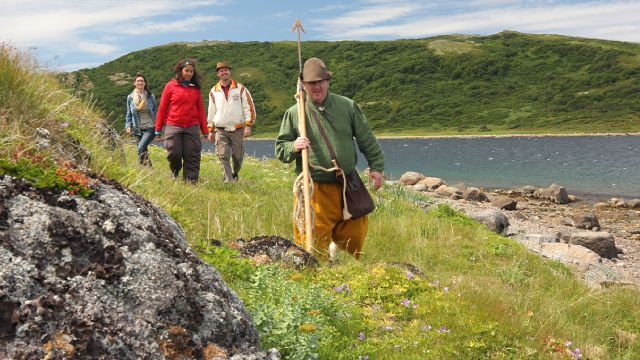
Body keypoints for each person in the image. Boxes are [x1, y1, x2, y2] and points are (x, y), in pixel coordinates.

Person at [275, 57, 384, 259]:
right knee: (313, 240)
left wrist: (376, 167)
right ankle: (318, 277)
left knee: (355, 234)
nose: (316, 87)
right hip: (315, 188)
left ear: (327, 81)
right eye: (311, 83)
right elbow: (281, 149)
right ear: (304, 85)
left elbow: (366, 138)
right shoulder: (294, 113)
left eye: (320, 81)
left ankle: (344, 269)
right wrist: (294, 146)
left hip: (347, 185)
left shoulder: (348, 106)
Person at [155, 58, 209, 182]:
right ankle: (175, 170)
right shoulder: (170, 85)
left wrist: (205, 130)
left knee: (192, 154)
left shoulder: (195, 89)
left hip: (192, 125)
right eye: (186, 70)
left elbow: (200, 110)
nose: (189, 73)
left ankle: (190, 182)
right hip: (173, 124)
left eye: (191, 71)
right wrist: (158, 129)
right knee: (174, 153)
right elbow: (162, 107)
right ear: (180, 70)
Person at [207, 61, 256, 182]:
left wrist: (248, 125)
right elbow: (211, 111)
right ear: (218, 74)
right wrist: (210, 130)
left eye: (226, 70)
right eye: (221, 71)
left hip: (237, 128)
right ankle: (229, 181)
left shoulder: (241, 89)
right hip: (220, 129)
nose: (224, 72)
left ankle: (234, 173)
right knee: (223, 155)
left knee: (238, 157)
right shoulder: (213, 91)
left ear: (230, 72)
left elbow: (248, 107)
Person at [125, 73, 158, 166]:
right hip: (137, 128)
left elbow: (155, 111)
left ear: (145, 83)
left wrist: (159, 125)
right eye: (138, 81)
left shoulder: (150, 97)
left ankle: (148, 170)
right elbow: (129, 113)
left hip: (150, 126)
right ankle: (148, 171)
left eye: (142, 81)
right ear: (134, 83)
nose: (140, 82)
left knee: (140, 148)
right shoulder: (130, 98)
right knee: (143, 151)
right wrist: (128, 125)